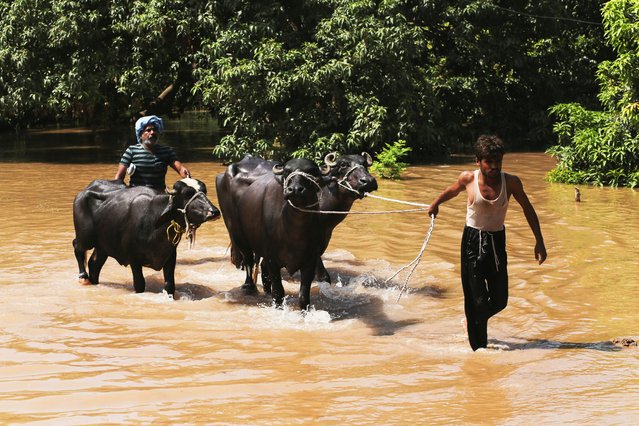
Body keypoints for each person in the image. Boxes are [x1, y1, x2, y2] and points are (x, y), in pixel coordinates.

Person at [427, 135, 547, 351]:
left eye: (497, 162)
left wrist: (539, 241)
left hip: (496, 242)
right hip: (472, 242)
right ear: (478, 161)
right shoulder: (468, 179)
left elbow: (528, 208)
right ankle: (479, 352)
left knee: (500, 300)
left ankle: (470, 322)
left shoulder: (511, 182)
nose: (493, 166)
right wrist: (436, 204)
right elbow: (452, 191)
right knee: (478, 302)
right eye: (488, 162)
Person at [115, 115, 190, 191]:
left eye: (155, 129)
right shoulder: (131, 151)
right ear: (141, 135)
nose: (152, 132)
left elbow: (180, 169)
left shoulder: (167, 151)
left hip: (159, 196)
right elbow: (119, 178)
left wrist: (189, 180)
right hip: (137, 197)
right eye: (148, 130)